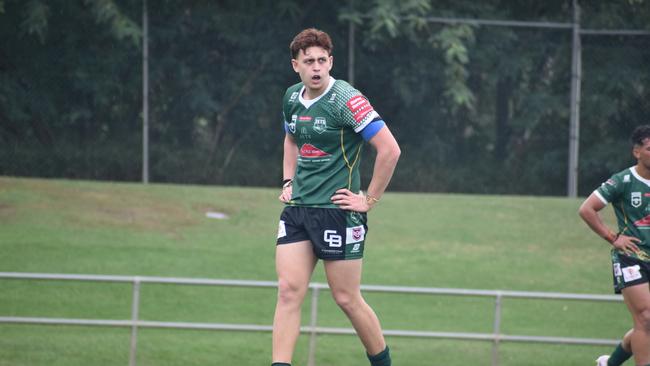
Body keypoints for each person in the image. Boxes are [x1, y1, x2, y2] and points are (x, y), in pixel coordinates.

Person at [271, 28, 400, 366]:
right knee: (288, 292)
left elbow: (389, 150)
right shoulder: (291, 97)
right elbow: (291, 139)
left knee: (346, 298)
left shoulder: (346, 99)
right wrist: (288, 180)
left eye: (322, 60)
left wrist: (368, 200)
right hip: (298, 211)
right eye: (309, 61)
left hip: (338, 213)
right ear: (295, 65)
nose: (316, 67)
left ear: (331, 62)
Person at [579, 125, 650, 366]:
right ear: (637, 152)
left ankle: (609, 364)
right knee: (646, 318)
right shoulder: (623, 180)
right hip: (632, 258)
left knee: (647, 324)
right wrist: (614, 238)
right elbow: (587, 209)